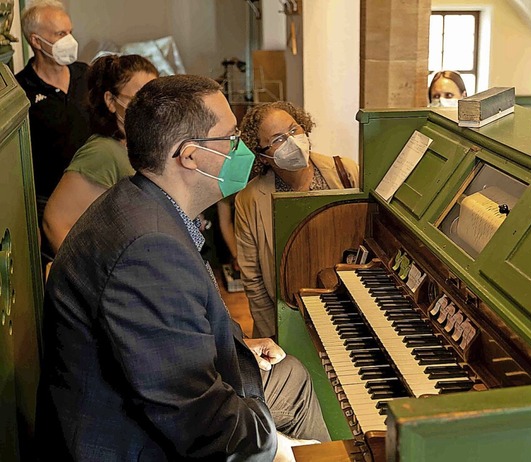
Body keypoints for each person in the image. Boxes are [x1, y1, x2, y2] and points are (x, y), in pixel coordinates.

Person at [36, 75, 330, 461]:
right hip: (130, 442)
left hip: (152, 404)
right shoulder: (149, 248)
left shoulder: (142, 201)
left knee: (290, 375)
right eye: (231, 138)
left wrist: (234, 346)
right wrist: (280, 450)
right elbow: (197, 420)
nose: (242, 149)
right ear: (189, 155)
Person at [236, 101, 359, 339]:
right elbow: (253, 278)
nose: (292, 141)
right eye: (278, 139)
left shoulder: (345, 171)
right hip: (288, 315)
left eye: (294, 130)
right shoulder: (249, 199)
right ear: (262, 156)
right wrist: (278, 333)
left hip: (348, 309)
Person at [42, 54, 159, 254]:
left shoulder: (138, 147)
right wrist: (84, 281)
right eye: (138, 99)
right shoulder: (101, 153)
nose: (150, 108)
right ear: (111, 101)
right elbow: (55, 222)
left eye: (155, 98)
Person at [15, 0, 91, 218]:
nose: (70, 40)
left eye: (70, 32)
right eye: (60, 34)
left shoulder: (86, 75)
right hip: (51, 203)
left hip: (96, 190)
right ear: (37, 41)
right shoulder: (21, 91)